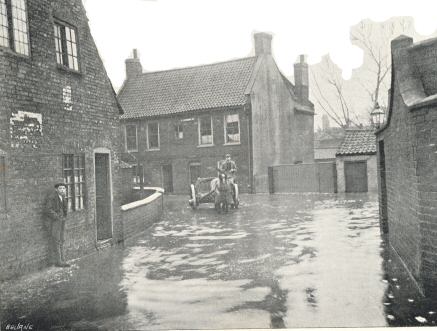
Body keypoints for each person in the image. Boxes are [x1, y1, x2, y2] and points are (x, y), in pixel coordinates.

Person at [44, 183, 70, 267]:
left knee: (62, 239)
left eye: (63, 188)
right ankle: (59, 262)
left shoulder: (63, 198)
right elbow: (48, 210)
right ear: (56, 189)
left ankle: (62, 260)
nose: (62, 190)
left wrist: (64, 217)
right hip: (54, 222)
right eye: (60, 188)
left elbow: (65, 209)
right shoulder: (52, 198)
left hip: (62, 221)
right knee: (56, 240)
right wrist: (57, 217)